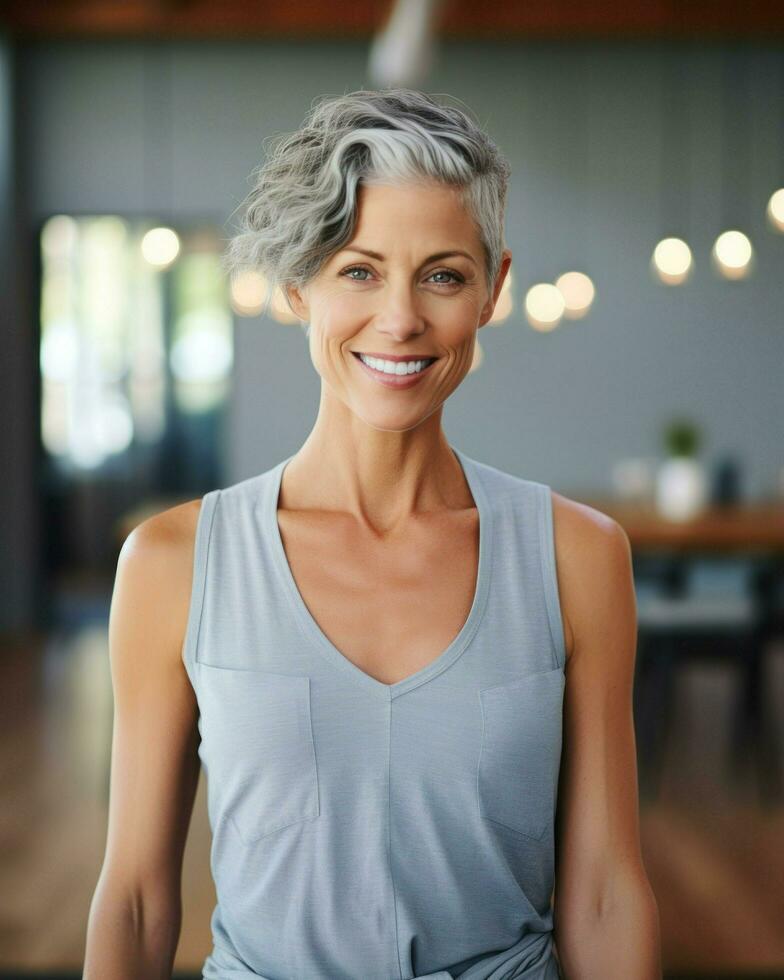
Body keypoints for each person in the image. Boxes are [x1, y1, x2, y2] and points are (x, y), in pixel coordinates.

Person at [83, 88, 662, 979]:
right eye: (358, 270)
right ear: (296, 286)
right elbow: (133, 900)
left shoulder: (577, 556)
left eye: (442, 275)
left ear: (493, 289)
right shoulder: (174, 564)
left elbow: (604, 893)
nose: (400, 320)